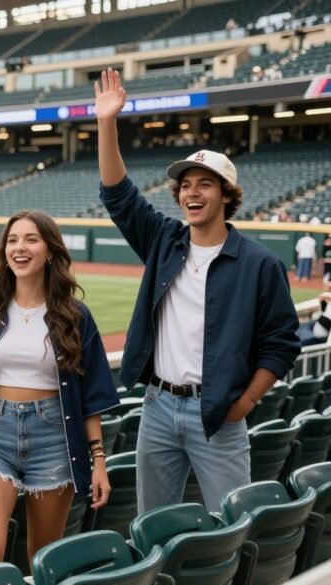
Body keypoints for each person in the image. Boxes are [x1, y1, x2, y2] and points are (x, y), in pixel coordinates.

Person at [95, 68, 300, 514]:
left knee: (232, 520)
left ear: (226, 195)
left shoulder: (260, 263)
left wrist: (245, 402)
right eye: (185, 185)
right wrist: (107, 123)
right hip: (158, 407)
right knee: (154, 524)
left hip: (218, 413)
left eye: (204, 184)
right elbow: (118, 195)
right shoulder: (163, 240)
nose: (192, 192)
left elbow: (282, 343)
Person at [0, 211, 118, 566]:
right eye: (12, 240)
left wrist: (98, 460)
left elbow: (91, 398)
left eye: (31, 240)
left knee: (43, 556)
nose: (19, 248)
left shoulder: (75, 315)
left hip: (54, 437)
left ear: (50, 251)